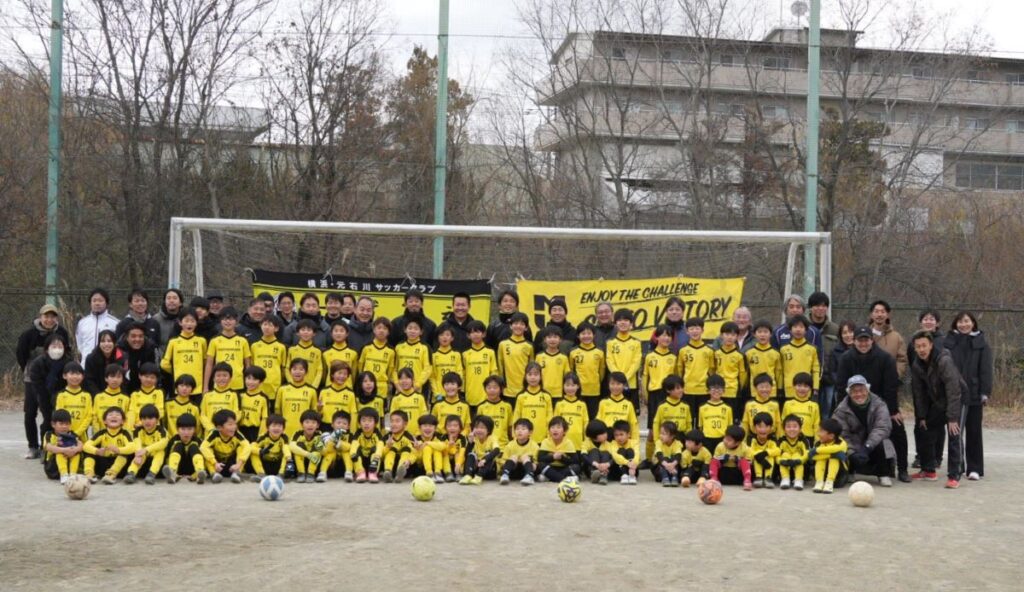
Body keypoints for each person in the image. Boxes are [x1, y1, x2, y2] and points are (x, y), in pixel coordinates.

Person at [834, 326, 907, 482]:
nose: (863, 344)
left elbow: (891, 386)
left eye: (866, 340)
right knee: (839, 431)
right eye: (860, 340)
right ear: (854, 341)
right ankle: (847, 468)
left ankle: (901, 469)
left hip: (879, 403)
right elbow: (841, 386)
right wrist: (842, 408)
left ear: (872, 340)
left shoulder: (885, 358)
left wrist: (892, 410)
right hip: (853, 401)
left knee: (896, 427)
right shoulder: (846, 358)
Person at [910, 331, 965, 489]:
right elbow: (919, 393)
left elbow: (953, 389)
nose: (921, 349)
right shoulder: (916, 365)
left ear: (931, 345)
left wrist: (952, 418)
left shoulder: (943, 360)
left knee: (954, 433)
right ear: (914, 348)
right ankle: (929, 470)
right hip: (939, 402)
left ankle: (954, 476)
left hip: (958, 398)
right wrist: (922, 416)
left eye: (924, 345)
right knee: (924, 428)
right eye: (918, 346)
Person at [944, 311, 992, 481]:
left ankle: (975, 468)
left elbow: (986, 370)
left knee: (974, 431)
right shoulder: (948, 342)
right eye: (960, 321)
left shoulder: (981, 343)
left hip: (974, 394)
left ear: (973, 323)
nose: (963, 325)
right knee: (955, 431)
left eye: (967, 321)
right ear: (955, 324)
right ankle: (957, 466)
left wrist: (985, 392)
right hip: (954, 395)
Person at [18, 304, 72, 457]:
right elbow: (21, 354)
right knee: (30, 413)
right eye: (46, 316)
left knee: (50, 413)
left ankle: (46, 446)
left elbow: (67, 352)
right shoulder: (29, 334)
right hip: (33, 378)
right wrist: (30, 370)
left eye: (52, 316)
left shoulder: (62, 332)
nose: (49, 320)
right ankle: (32, 446)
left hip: (55, 379)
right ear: (40, 317)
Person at [832, 375, 895, 487]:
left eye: (861, 390)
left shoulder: (880, 404)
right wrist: (851, 453)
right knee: (840, 444)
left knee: (884, 442)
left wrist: (867, 447)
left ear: (867, 390)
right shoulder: (841, 410)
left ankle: (883, 474)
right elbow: (842, 433)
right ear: (849, 393)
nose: (859, 394)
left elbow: (882, 428)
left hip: (872, 444)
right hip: (854, 445)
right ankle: (850, 471)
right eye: (854, 391)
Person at [908, 309, 944, 469]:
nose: (928, 321)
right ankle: (920, 456)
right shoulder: (913, 340)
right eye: (925, 319)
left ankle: (936, 457)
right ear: (920, 322)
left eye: (932, 319)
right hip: (921, 389)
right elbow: (912, 362)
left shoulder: (943, 341)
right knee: (920, 423)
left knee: (938, 426)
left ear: (937, 322)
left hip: (938, 392)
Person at [203, 307, 252, 392]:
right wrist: (205, 387)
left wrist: (249, 383)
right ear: (220, 321)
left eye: (231, 319)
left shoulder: (243, 341)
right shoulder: (214, 341)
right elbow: (209, 364)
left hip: (238, 384)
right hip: (219, 384)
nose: (228, 321)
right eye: (225, 319)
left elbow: (248, 365)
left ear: (236, 321)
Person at [83, 406, 136, 484]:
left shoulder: (125, 433)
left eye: (117, 415)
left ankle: (111, 475)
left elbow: (132, 447)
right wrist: (97, 451)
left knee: (125, 454)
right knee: (89, 451)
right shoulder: (101, 433)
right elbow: (86, 446)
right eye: (110, 415)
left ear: (123, 421)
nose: (114, 416)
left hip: (119, 467)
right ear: (104, 421)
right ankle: (89, 474)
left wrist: (118, 450)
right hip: (103, 464)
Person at [677, 317, 716, 420]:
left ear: (702, 330)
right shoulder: (683, 351)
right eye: (691, 329)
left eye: (697, 328)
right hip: (688, 390)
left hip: (704, 391)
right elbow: (680, 371)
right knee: (688, 420)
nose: (694, 331)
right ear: (687, 331)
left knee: (702, 421)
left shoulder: (709, 351)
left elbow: (712, 371)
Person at [160, 308, 207, 392]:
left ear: (196, 323)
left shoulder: (201, 341)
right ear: (180, 322)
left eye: (192, 321)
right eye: (186, 321)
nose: (189, 324)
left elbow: (205, 361)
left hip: (197, 386)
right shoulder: (173, 342)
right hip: (179, 385)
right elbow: (164, 364)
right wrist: (176, 370)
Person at [200, 408, 251, 484]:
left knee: (241, 448)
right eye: (230, 424)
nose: (234, 427)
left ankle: (236, 473)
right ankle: (214, 474)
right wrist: (215, 463)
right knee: (207, 450)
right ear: (219, 428)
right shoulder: (214, 434)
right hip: (218, 465)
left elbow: (247, 446)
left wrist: (238, 464)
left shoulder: (236, 433)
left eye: (235, 423)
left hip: (232, 466)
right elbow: (203, 447)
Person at [606, 309, 643, 411]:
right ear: (615, 323)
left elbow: (636, 363)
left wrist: (625, 378)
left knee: (631, 414)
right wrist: (618, 379)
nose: (622, 322)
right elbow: (610, 361)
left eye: (626, 320)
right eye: (619, 320)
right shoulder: (610, 343)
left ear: (631, 324)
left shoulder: (636, 343)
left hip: (631, 384)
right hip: (615, 385)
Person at [570, 321, 606, 419]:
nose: (586, 336)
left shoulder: (599, 352)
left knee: (592, 417)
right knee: (579, 417)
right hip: (578, 391)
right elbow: (571, 371)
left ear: (594, 335)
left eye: (589, 333)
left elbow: (601, 372)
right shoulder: (573, 352)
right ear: (578, 336)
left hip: (594, 390)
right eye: (583, 333)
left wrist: (595, 381)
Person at [779, 316, 820, 402]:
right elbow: (780, 371)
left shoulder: (812, 349)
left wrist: (815, 389)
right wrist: (780, 388)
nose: (798, 330)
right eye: (795, 327)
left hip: (806, 390)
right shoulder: (783, 350)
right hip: (789, 391)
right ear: (790, 330)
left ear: (806, 330)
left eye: (801, 327)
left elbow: (816, 370)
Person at [125, 404, 168, 485]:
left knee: (160, 452)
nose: (147, 421)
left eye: (150, 418)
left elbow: (163, 443)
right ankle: (131, 473)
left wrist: (146, 449)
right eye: (144, 418)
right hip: (143, 454)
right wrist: (139, 453)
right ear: (140, 420)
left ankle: (151, 474)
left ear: (157, 420)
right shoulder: (137, 431)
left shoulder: (161, 430)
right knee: (140, 453)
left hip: (155, 453)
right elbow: (137, 443)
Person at [511, 362, 553, 444]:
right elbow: (516, 417)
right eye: (530, 374)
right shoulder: (521, 396)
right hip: (524, 439)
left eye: (536, 374)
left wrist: (549, 435)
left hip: (543, 439)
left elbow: (550, 418)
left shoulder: (546, 396)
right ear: (525, 376)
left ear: (540, 376)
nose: (533, 377)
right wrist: (515, 436)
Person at [714, 322, 748, 421]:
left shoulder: (740, 356)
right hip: (718, 391)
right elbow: (712, 371)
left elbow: (743, 375)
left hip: (733, 392)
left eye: (733, 335)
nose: (730, 337)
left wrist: (739, 389)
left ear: (737, 337)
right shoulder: (716, 354)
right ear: (721, 335)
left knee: (731, 419)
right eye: (727, 334)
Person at [824, 321, 857, 419]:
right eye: (844, 333)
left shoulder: (862, 349)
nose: (848, 335)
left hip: (859, 388)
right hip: (841, 389)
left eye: (851, 332)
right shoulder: (835, 351)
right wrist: (842, 384)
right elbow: (832, 371)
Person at [251, 315, 288, 402]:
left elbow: (283, 368)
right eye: (265, 324)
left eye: (270, 325)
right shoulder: (254, 346)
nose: (267, 327)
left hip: (274, 384)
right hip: (258, 384)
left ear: (276, 328)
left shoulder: (281, 347)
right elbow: (252, 366)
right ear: (261, 326)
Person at [498, 312, 534, 400]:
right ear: (511, 326)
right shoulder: (503, 344)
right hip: (507, 390)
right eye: (516, 323)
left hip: (525, 390)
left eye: (522, 324)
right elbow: (500, 366)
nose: (518, 326)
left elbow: (532, 368)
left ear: (526, 328)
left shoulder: (529, 346)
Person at [463, 323, 499, 412]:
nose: (475, 335)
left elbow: (494, 372)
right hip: (471, 395)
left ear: (484, 334)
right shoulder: (465, 354)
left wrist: (493, 390)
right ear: (468, 336)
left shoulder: (490, 352)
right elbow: (463, 374)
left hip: (487, 395)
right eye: (472, 332)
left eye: (478, 332)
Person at [276, 359, 318, 435]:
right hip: (285, 430)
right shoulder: (282, 389)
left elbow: (314, 413)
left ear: (306, 372)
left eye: (301, 369)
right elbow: (277, 411)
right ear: (290, 371)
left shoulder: (311, 391)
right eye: (294, 369)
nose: (297, 372)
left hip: (304, 432)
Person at [161, 413, 207, 484]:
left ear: (194, 429)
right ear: (177, 429)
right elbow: (167, 458)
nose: (186, 432)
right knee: (178, 445)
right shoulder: (173, 440)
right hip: (178, 468)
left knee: (193, 447)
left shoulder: (198, 441)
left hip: (193, 469)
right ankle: (172, 473)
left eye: (190, 429)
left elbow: (205, 459)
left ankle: (199, 474)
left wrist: (195, 474)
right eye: (183, 429)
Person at [869, 300, 909, 379]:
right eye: (876, 311)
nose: (879, 314)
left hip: (889, 381)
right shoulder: (864, 335)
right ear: (871, 314)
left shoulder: (896, 337)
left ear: (888, 315)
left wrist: (895, 375)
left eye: (882, 312)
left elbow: (902, 359)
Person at [75, 288, 119, 359]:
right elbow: (80, 345)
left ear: (106, 303)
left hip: (108, 363)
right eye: (94, 301)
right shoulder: (82, 323)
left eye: (100, 300)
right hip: (86, 363)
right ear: (90, 303)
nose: (97, 303)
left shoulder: (115, 323)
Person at [54, 362, 92, 441]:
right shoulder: (61, 395)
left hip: (82, 435)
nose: (75, 376)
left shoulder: (87, 396)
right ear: (64, 376)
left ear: (82, 376)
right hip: (65, 434)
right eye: (71, 373)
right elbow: (59, 416)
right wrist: (68, 432)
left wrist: (77, 433)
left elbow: (89, 416)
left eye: (78, 374)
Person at [42, 409, 83, 483]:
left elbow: (80, 445)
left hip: (69, 464)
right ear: (53, 424)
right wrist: (65, 450)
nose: (64, 426)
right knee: (59, 452)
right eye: (61, 424)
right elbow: (48, 447)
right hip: (53, 468)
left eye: (67, 424)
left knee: (77, 453)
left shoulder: (72, 434)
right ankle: (63, 474)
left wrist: (75, 450)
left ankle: (73, 474)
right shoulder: (49, 435)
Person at [200, 363, 241, 435]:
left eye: (225, 375)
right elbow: (202, 415)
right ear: (213, 378)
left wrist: (226, 426)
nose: (221, 378)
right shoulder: (207, 395)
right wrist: (212, 428)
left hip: (228, 432)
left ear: (230, 378)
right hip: (210, 433)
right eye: (218, 375)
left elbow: (238, 413)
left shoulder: (234, 395)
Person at [809, 418, 848, 493]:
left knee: (834, 459)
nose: (818, 433)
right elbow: (813, 457)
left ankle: (830, 482)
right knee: (821, 459)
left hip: (839, 476)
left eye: (821, 431)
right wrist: (831, 455)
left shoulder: (841, 443)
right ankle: (819, 482)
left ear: (831, 436)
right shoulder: (819, 443)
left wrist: (817, 450)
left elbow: (836, 448)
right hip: (822, 475)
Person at [393, 318, 432, 394]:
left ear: (421, 332)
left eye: (416, 329)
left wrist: (417, 385)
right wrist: (397, 384)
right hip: (400, 388)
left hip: (417, 389)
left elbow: (428, 369)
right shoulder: (399, 347)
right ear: (405, 330)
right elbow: (394, 368)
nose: (412, 331)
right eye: (410, 328)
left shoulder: (425, 347)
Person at [745, 320, 783, 398]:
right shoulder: (749, 353)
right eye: (759, 332)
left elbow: (778, 373)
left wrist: (779, 388)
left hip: (771, 391)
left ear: (770, 334)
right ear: (754, 334)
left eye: (765, 332)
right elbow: (746, 373)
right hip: (754, 390)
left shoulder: (776, 353)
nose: (762, 335)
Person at [249, 414, 292, 481]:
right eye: (274, 426)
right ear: (267, 428)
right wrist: (260, 451)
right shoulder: (263, 437)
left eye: (279, 426)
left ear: (283, 429)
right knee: (253, 453)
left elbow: (286, 448)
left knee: (287, 454)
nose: (276, 428)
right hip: (266, 464)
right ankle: (261, 474)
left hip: (277, 465)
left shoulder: (284, 438)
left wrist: (288, 458)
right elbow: (251, 447)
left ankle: (281, 475)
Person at [357, 318, 395, 394]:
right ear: (374, 330)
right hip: (366, 385)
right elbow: (360, 366)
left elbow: (390, 370)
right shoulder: (366, 347)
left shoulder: (391, 351)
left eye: (385, 328)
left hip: (382, 387)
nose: (381, 330)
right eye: (379, 328)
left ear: (388, 332)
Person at [460, 415, 501, 484]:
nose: (479, 430)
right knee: (471, 455)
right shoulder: (474, 438)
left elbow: (497, 450)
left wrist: (485, 459)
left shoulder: (492, 438)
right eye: (476, 427)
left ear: (488, 430)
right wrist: (470, 443)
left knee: (489, 455)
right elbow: (467, 455)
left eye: (482, 427)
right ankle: (468, 475)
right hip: (477, 467)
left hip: (490, 471)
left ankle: (479, 476)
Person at [709, 425, 752, 490]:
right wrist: (723, 458)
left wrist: (737, 459)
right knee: (713, 461)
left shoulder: (745, 448)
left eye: (729, 440)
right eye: (725, 438)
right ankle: (714, 479)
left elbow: (749, 462)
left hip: (737, 473)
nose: (725, 441)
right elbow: (715, 459)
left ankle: (747, 480)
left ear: (737, 443)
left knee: (744, 461)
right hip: (724, 472)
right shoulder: (720, 446)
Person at [782, 372, 820, 445]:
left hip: (808, 438)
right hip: (790, 438)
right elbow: (783, 423)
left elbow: (816, 425)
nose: (802, 389)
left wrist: (817, 441)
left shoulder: (814, 405)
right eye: (799, 386)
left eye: (806, 386)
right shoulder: (788, 404)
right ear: (794, 386)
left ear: (810, 388)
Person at [537, 416, 579, 482]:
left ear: (564, 431)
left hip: (564, 468)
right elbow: (540, 459)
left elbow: (575, 461)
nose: (555, 430)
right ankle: (564, 479)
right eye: (552, 427)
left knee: (577, 467)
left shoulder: (568, 443)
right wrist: (553, 457)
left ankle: (550, 477)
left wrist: (562, 458)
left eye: (558, 427)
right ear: (549, 431)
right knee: (540, 465)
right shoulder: (545, 442)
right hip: (550, 467)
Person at [388, 368, 428, 436]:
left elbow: (424, 418)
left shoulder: (420, 397)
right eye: (401, 379)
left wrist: (419, 433)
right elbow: (393, 419)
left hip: (417, 436)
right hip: (400, 435)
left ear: (413, 380)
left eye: (407, 378)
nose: (404, 381)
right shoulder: (395, 398)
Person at [499, 418, 539, 485]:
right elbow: (503, 462)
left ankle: (529, 476)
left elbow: (537, 463)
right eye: (517, 429)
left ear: (530, 432)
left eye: (523, 429)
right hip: (514, 470)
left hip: (527, 469)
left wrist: (525, 460)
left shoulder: (535, 446)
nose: (520, 431)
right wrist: (514, 462)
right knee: (514, 457)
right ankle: (505, 475)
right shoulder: (510, 445)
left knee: (525, 457)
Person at [121, 323, 158, 395]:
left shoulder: (150, 348)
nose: (137, 339)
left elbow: (155, 372)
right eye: (133, 336)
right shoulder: (119, 349)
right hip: (123, 389)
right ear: (127, 337)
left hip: (145, 390)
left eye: (140, 336)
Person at [553, 373, 588, 449]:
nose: (570, 388)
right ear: (563, 386)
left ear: (578, 386)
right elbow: (555, 425)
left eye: (573, 385)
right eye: (567, 385)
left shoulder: (582, 404)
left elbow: (585, 424)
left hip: (578, 444)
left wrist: (586, 442)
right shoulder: (559, 404)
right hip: (562, 444)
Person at [698, 375, 732, 453]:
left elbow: (729, 427)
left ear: (724, 391)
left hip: (722, 439)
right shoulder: (702, 407)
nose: (716, 391)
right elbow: (700, 427)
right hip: (707, 439)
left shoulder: (728, 408)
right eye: (713, 388)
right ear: (708, 390)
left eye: (719, 388)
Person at [380, 410, 416, 483]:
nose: (394, 424)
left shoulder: (409, 437)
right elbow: (380, 454)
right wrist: (387, 447)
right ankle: (388, 472)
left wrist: (409, 461)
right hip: (389, 464)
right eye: (392, 421)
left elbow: (414, 453)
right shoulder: (387, 437)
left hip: (405, 466)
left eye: (397, 421)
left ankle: (400, 471)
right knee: (391, 450)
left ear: (405, 424)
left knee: (406, 449)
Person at [91, 364, 129, 434]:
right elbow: (94, 418)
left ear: (122, 380)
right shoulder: (98, 397)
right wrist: (98, 434)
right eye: (112, 376)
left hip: (120, 436)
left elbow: (126, 420)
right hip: (101, 436)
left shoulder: (126, 399)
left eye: (118, 377)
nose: (115, 380)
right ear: (106, 378)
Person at [289, 319, 326, 389]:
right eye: (303, 330)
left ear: (314, 333)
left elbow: (319, 370)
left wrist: (314, 386)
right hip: (293, 387)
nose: (306, 332)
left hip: (311, 387)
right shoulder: (291, 350)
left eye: (309, 330)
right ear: (297, 333)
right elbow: (287, 368)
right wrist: (291, 383)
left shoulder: (317, 351)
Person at [126, 362, 164, 429]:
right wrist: (130, 429)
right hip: (136, 427)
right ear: (139, 376)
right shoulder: (134, 394)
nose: (149, 379)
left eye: (152, 377)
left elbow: (160, 411)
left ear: (156, 379)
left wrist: (142, 423)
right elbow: (132, 412)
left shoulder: (159, 393)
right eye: (146, 376)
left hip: (153, 428)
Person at [477, 376, 513, 446]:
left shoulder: (507, 406)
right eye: (489, 387)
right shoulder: (481, 407)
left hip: (503, 446)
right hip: (487, 447)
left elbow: (510, 428)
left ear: (501, 389)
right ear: (485, 389)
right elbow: (478, 429)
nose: (492, 390)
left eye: (495, 387)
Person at [430, 324, 464, 399]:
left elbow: (459, 374)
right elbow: (432, 377)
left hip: (454, 394)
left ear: (452, 338)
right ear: (438, 337)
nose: (444, 337)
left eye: (447, 335)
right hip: (438, 396)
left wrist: (456, 390)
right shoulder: (433, 356)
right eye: (441, 335)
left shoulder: (456, 355)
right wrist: (436, 393)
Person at [351, 407, 384, 483]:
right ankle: (360, 473)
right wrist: (353, 454)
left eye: (370, 420)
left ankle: (373, 474)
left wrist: (377, 456)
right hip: (362, 461)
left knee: (375, 451)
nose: (366, 423)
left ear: (375, 423)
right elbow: (354, 444)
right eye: (363, 420)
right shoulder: (358, 433)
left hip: (373, 461)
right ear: (359, 423)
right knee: (356, 452)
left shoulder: (377, 433)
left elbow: (380, 445)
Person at [536, 328, 570, 399]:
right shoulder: (539, 357)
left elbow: (567, 377)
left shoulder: (564, 358)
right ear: (544, 340)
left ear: (560, 340)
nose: (552, 340)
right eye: (549, 337)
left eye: (555, 337)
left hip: (559, 393)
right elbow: (536, 375)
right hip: (542, 392)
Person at [749, 413, 780, 488]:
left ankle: (768, 478)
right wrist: (759, 456)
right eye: (759, 426)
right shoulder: (751, 438)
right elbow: (749, 451)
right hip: (754, 469)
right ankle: (758, 477)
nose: (763, 430)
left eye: (766, 426)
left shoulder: (772, 438)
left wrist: (766, 453)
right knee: (755, 456)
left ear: (771, 428)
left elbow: (778, 450)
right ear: (754, 428)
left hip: (769, 467)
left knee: (770, 456)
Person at [238, 366, 270, 442]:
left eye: (254, 379)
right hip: (241, 430)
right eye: (248, 378)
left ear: (261, 382)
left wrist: (261, 436)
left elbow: (264, 419)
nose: (250, 382)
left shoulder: (263, 398)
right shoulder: (240, 395)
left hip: (255, 431)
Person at [777, 415, 809, 490]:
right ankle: (785, 479)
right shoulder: (781, 440)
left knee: (796, 455)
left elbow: (807, 453)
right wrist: (781, 461)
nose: (792, 429)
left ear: (800, 429)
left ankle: (798, 480)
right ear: (784, 429)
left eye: (795, 426)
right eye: (788, 427)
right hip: (786, 464)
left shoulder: (803, 440)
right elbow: (776, 454)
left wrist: (800, 460)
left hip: (799, 465)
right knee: (785, 455)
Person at [651, 421, 683, 487]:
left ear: (672, 436)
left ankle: (674, 477)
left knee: (674, 458)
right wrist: (667, 466)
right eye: (660, 433)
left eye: (664, 434)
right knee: (665, 458)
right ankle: (665, 477)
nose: (661, 436)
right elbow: (659, 456)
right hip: (659, 467)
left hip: (672, 467)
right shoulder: (658, 442)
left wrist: (672, 465)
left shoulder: (677, 443)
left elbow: (678, 456)